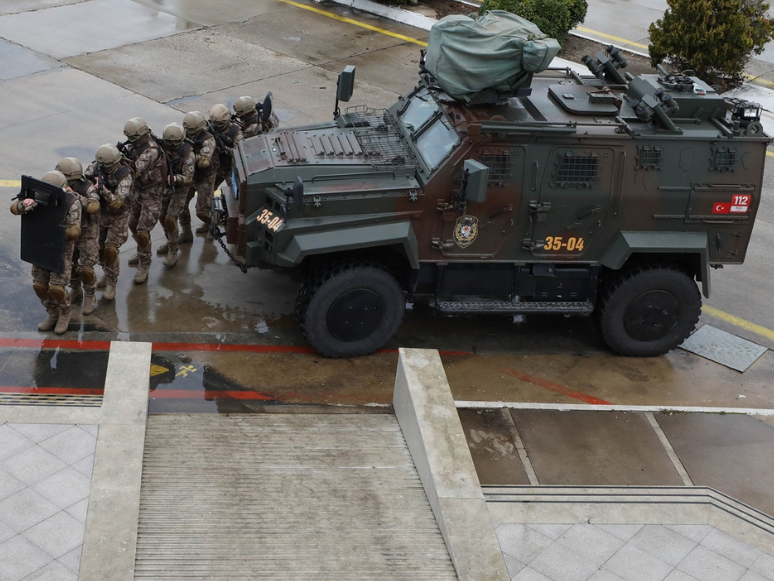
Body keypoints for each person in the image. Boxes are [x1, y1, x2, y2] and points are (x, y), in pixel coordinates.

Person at [10, 171, 82, 335]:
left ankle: (64, 312)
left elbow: (74, 231)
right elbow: (14, 209)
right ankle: (52, 313)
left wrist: (56, 230)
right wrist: (24, 205)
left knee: (57, 288)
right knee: (40, 286)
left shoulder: (72, 202)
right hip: (40, 246)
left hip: (60, 250)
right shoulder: (37, 197)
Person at [86, 144, 134, 301]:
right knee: (99, 248)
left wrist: (103, 190)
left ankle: (112, 281)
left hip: (118, 215)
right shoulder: (95, 167)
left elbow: (117, 203)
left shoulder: (125, 175)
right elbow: (84, 182)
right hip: (101, 215)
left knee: (110, 249)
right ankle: (107, 273)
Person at [123, 117, 167, 284]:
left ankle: (144, 263)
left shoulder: (151, 151)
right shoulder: (135, 145)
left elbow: (133, 170)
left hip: (152, 195)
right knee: (132, 224)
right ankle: (142, 250)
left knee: (143, 230)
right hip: (138, 193)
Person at [55, 157, 101, 315]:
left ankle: (90, 294)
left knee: (86, 267)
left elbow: (94, 206)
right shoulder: (59, 184)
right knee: (72, 264)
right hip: (70, 229)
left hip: (88, 231)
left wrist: (74, 195)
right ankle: (75, 289)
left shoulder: (87, 187)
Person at [156, 122, 195, 267]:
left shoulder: (188, 153)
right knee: (161, 215)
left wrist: (176, 178)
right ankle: (170, 240)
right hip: (165, 185)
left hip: (180, 187)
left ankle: (173, 250)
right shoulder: (161, 147)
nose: (172, 146)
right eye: (169, 142)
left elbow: (188, 179)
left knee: (171, 218)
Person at [179, 111, 219, 238]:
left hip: (205, 177)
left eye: (192, 130)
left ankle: (212, 225)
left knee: (202, 210)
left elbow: (204, 163)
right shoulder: (185, 135)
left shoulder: (208, 139)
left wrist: (189, 157)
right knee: (181, 205)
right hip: (190, 175)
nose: (189, 132)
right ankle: (186, 232)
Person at [209, 103, 243, 191]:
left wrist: (225, 149)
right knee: (208, 193)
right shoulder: (210, 126)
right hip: (216, 167)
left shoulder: (236, 132)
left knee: (234, 194)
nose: (216, 125)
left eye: (219, 123)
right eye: (215, 123)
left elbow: (239, 153)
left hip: (230, 168)